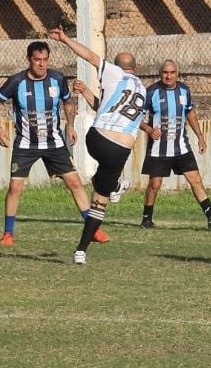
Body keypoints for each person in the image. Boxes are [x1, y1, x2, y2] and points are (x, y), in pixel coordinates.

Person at [0, 41, 110, 247]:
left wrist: (70, 126)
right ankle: (8, 233)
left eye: (45, 60)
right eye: (37, 60)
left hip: (54, 143)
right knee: (15, 187)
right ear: (29, 60)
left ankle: (94, 229)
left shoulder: (57, 78)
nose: (42, 64)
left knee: (75, 182)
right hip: (26, 144)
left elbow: (68, 101)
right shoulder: (16, 81)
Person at [48, 27, 147, 265]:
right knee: (99, 202)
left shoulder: (113, 73)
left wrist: (65, 39)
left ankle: (83, 249)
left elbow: (90, 57)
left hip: (95, 139)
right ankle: (81, 249)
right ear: (136, 69)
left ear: (115, 65)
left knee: (99, 185)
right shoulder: (142, 90)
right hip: (120, 149)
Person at [138, 60, 211, 230]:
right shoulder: (151, 92)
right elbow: (136, 118)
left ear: (177, 73)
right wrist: (149, 130)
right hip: (159, 148)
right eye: (165, 72)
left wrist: (200, 137)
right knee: (154, 184)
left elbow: (190, 113)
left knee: (196, 179)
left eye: (172, 72)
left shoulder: (184, 90)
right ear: (160, 73)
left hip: (181, 147)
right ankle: (146, 219)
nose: (169, 76)